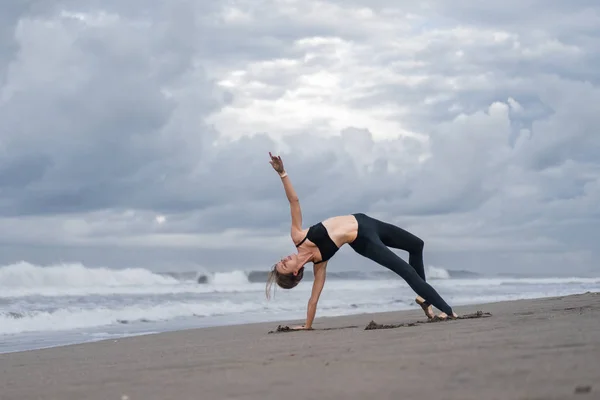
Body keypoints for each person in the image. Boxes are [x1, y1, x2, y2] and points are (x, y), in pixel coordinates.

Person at [265, 152, 458, 330]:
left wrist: (282, 173)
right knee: (405, 270)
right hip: (364, 241)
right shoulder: (320, 265)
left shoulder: (298, 237)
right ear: (295, 272)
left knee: (416, 245)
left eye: (281, 261)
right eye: (284, 265)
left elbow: (294, 201)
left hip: (367, 222)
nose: (284, 260)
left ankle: (425, 299)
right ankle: (448, 311)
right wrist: (307, 326)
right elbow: (313, 299)